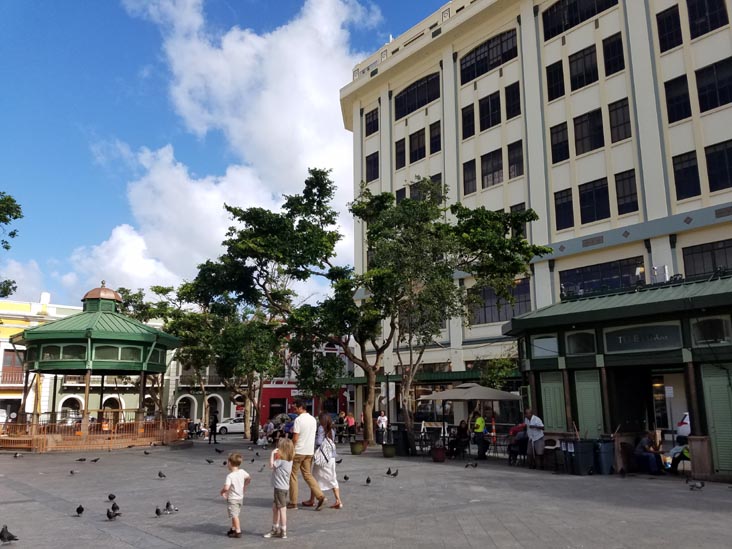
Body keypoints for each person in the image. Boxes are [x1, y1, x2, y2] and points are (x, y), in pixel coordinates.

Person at [288, 399, 325, 510]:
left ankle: (293, 502)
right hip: (309, 451)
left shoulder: (298, 420)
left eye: (295, 408)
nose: (295, 410)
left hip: (298, 451)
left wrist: (290, 448)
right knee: (308, 474)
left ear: (300, 408)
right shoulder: (313, 419)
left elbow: (295, 437)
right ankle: (320, 495)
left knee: (293, 475)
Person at [310, 414, 343, 509]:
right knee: (333, 478)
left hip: (322, 458)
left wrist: (316, 440)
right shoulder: (332, 430)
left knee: (314, 478)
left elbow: (319, 442)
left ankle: (312, 500)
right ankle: (338, 500)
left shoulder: (321, 428)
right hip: (331, 458)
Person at [264, 438, 294, 539]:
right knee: (276, 507)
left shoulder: (280, 461)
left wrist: (272, 454)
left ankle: (282, 530)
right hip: (284, 487)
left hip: (279, 488)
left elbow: (271, 465)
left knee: (282, 509)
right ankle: (276, 528)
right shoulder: (289, 461)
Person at [220, 452, 251, 539]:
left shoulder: (230, 476)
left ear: (229, 463)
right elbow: (249, 478)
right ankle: (233, 528)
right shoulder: (242, 471)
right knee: (235, 513)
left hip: (233, 498)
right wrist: (244, 486)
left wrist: (222, 492)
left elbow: (226, 487)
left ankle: (238, 531)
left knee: (234, 515)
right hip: (240, 497)